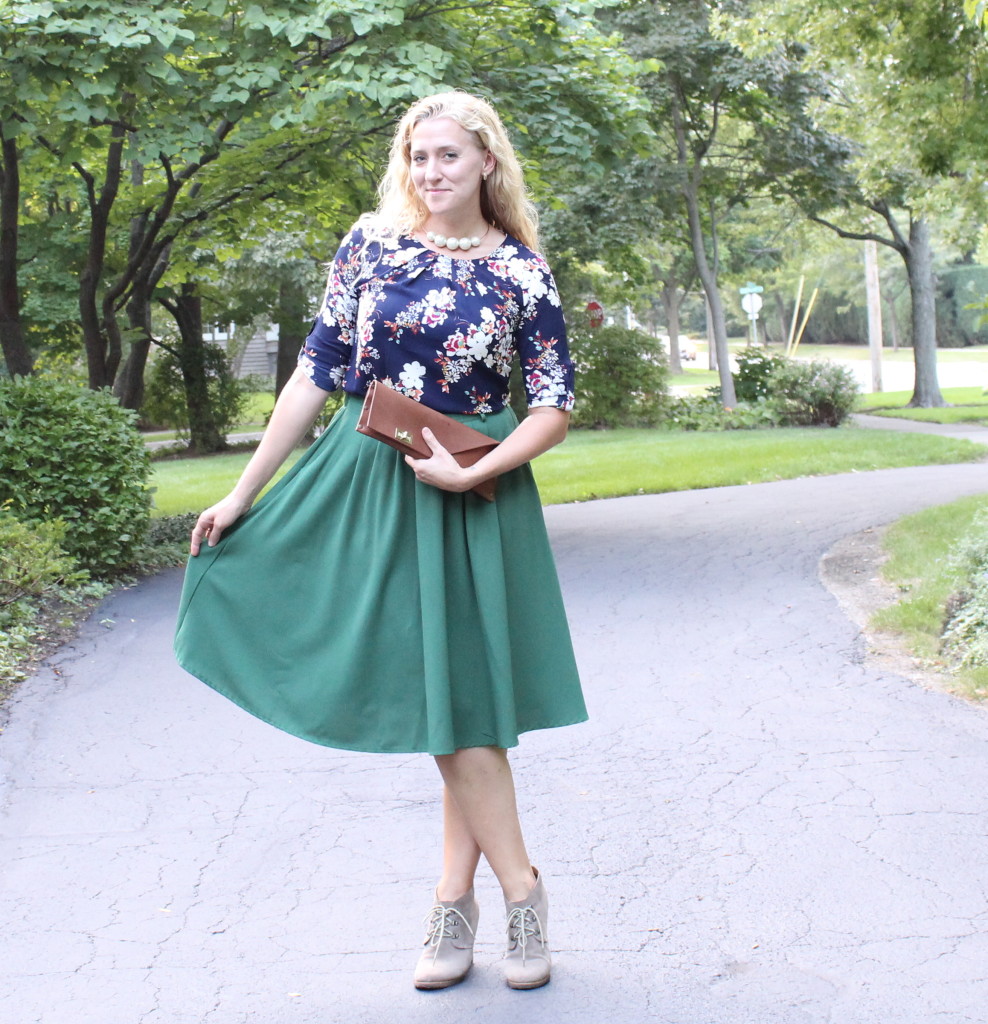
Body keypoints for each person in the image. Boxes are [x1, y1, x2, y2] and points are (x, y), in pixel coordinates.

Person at [174, 90, 587, 992]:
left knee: (462, 698)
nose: (429, 173)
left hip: (474, 490)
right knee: (443, 695)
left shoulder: (523, 273)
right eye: (417, 157)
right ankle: (497, 895)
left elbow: (554, 406)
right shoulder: (371, 245)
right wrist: (244, 492)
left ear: (486, 161)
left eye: (446, 156)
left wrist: (476, 473)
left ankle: (482, 900)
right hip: (369, 481)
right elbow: (315, 375)